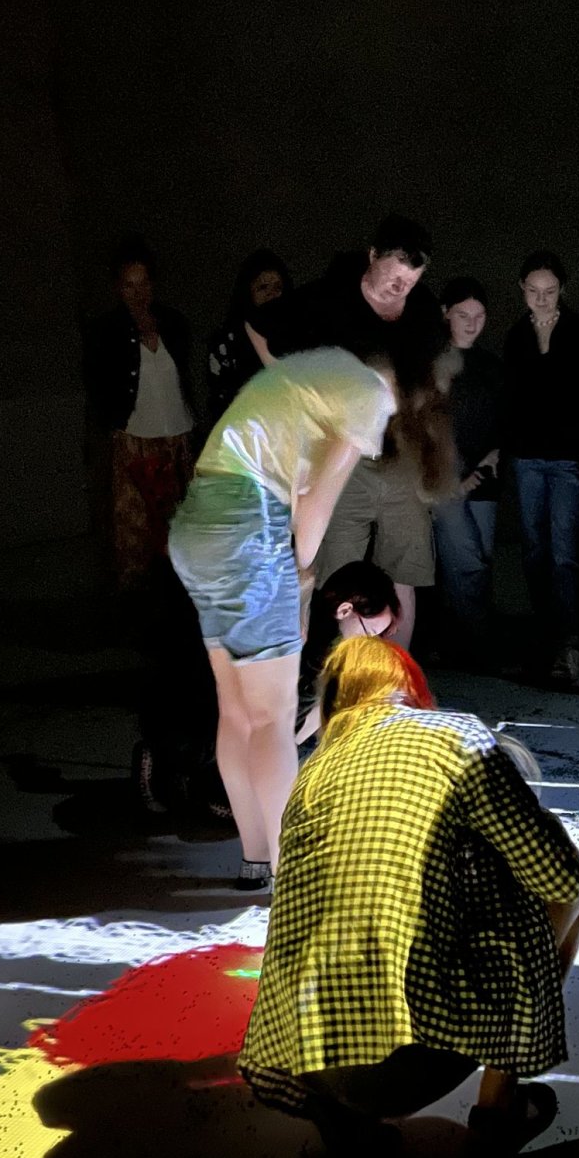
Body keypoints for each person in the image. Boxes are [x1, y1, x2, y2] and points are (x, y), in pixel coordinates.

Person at [240, 636, 579, 1156]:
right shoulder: (456, 738)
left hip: (301, 1057)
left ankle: (343, 1114)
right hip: (409, 1061)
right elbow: (560, 877)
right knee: (557, 893)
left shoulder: (312, 773)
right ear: (412, 686)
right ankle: (497, 1111)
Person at [167, 348, 397, 890]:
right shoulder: (366, 394)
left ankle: (256, 859)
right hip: (248, 525)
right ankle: (291, 871)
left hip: (199, 524)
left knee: (236, 712)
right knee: (272, 718)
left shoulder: (311, 380)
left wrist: (297, 591)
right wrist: (302, 581)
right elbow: (311, 516)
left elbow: (291, 491)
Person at [252, 215, 454, 650]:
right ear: (372, 257)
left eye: (410, 282)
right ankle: (331, 672)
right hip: (345, 459)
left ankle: (394, 675)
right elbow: (259, 325)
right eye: (394, 278)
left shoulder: (421, 309)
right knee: (333, 571)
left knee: (404, 570)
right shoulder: (329, 299)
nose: (400, 288)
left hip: (400, 457)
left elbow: (434, 372)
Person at [81, 237, 201, 595]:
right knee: (136, 520)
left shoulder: (172, 323)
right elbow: (97, 383)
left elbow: (184, 374)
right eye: (129, 285)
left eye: (144, 283)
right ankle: (138, 591)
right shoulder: (106, 330)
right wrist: (109, 424)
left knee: (181, 515)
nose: (138, 293)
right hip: (135, 436)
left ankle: (182, 584)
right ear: (118, 287)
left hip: (177, 433)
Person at [503, 252, 579, 684]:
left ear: (561, 290)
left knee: (564, 553)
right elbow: (514, 396)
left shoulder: (577, 330)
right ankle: (544, 639)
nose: (541, 298)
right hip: (527, 457)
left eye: (549, 291)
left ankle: (569, 645)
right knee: (535, 550)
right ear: (522, 289)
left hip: (567, 457)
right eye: (534, 291)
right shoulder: (516, 335)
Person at [430, 277, 504, 670]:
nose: (472, 323)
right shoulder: (433, 363)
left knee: (477, 562)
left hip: (485, 477)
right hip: (446, 479)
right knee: (464, 560)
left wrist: (493, 456)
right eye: (463, 315)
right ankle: (475, 648)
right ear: (446, 314)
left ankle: (457, 646)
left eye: (479, 315)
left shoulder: (491, 365)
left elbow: (506, 419)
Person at [292, 559, 402, 747]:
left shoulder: (314, 608)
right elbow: (292, 736)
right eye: (368, 633)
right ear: (344, 610)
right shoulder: (322, 656)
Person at [208, 248, 290, 424]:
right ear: (248, 291)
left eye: (278, 288)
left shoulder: (295, 335)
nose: (272, 295)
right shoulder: (227, 341)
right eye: (263, 288)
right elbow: (220, 397)